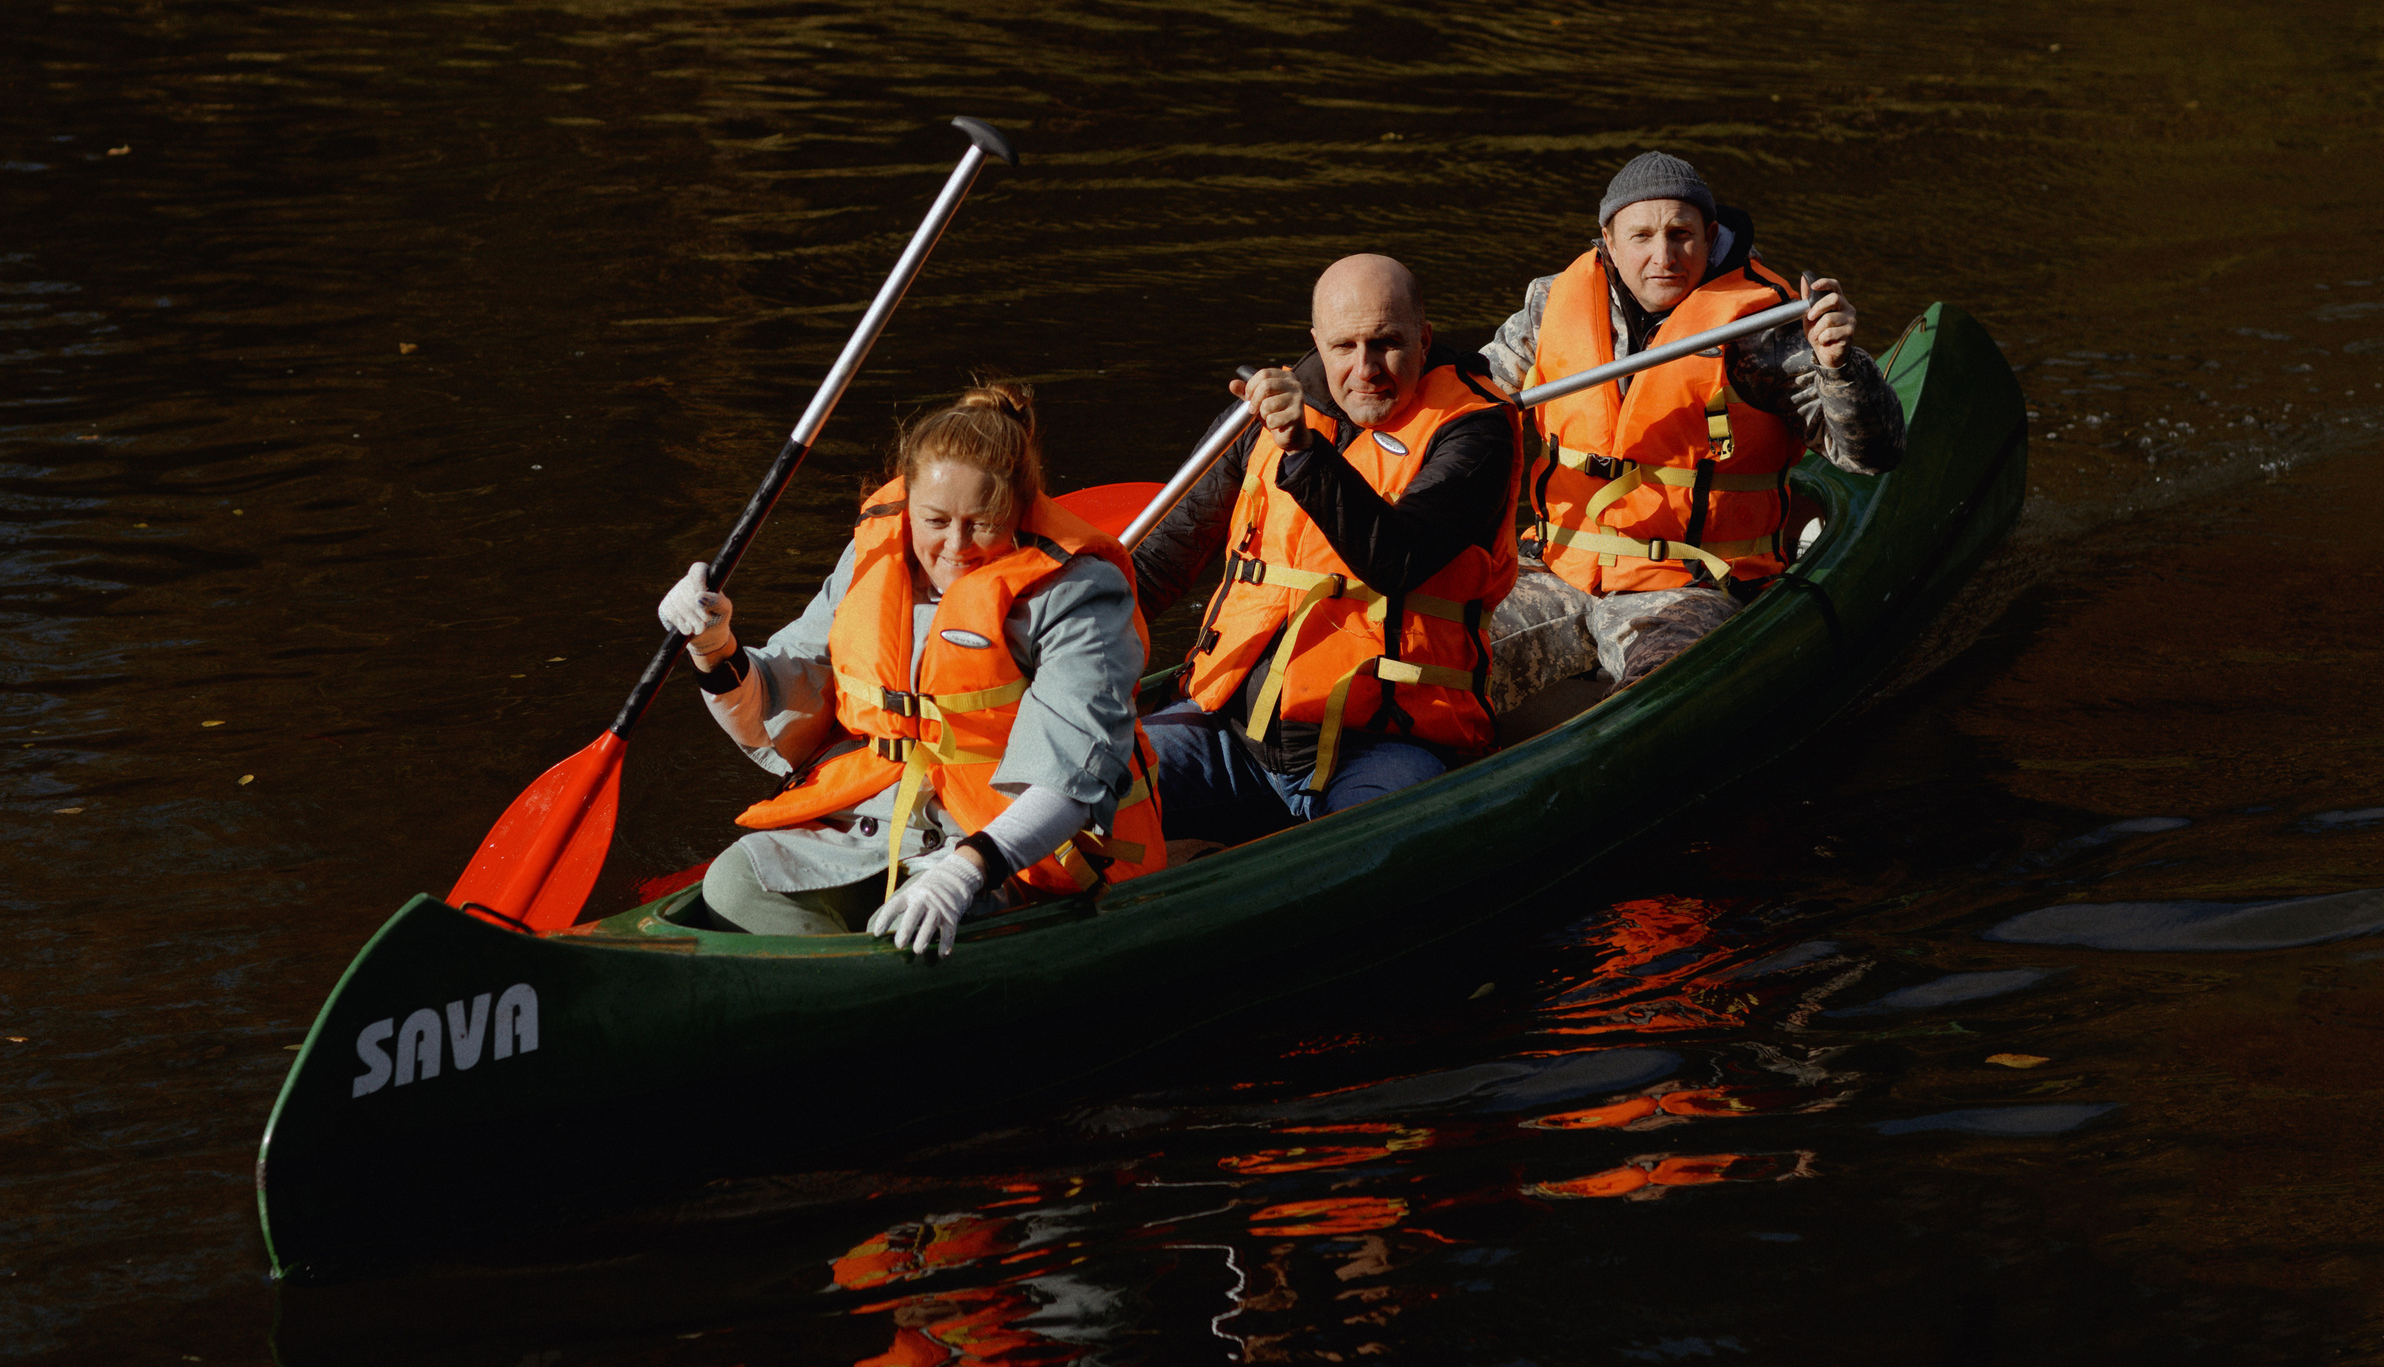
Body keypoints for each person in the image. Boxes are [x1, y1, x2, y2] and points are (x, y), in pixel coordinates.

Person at [657, 383, 1164, 955]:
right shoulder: (874, 554)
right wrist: (714, 646)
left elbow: (1072, 772)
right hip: (879, 822)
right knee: (733, 885)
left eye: (982, 522)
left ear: (1020, 508)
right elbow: (784, 695)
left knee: (918, 931)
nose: (956, 545)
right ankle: (841, 982)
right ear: (908, 503)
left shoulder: (1081, 593)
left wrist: (964, 871)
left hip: (1017, 845)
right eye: (936, 520)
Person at [1478, 151, 1905, 692]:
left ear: (1710, 235)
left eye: (1681, 235)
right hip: (1560, 568)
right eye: (1641, 237)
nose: (1664, 257)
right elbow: (1471, 398)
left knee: (1661, 688)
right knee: (1438, 644)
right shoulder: (1550, 302)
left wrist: (1839, 366)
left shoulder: (1762, 326)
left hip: (1692, 586)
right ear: (1608, 241)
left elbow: (1872, 455)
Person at [1132, 255, 1523, 842]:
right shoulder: (1259, 416)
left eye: (1386, 343)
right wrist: (1054, 636)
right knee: (1085, 789)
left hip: (1385, 744)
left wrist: (1302, 451)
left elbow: (1398, 559)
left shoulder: (1475, 430)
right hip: (1233, 732)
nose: (1366, 369)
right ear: (1317, 343)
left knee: (1369, 844)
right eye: (1344, 347)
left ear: (1424, 340)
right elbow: (1162, 563)